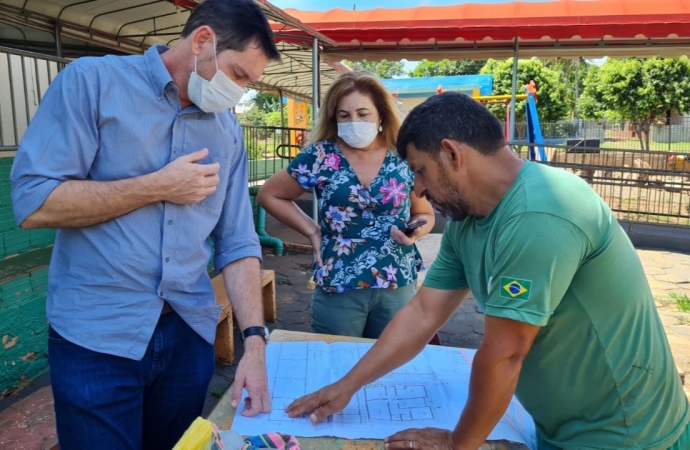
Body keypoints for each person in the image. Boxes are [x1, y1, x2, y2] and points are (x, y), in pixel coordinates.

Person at [284, 92, 690, 449]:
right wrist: (346, 386)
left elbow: (505, 353)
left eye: (420, 171)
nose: (418, 191)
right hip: (560, 426)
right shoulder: (468, 220)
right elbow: (423, 314)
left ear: (453, 153)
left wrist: (457, 442)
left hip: (626, 434)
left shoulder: (541, 212)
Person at [10, 1, 281, 448]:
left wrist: (254, 341)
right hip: (97, 336)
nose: (239, 92)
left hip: (188, 332)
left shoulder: (227, 131)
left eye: (249, 83)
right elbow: (34, 202)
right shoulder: (93, 82)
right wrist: (155, 186)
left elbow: (237, 239)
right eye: (237, 75)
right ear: (202, 41)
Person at [257, 71, 435, 339]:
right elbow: (270, 195)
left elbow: (424, 214)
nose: (354, 122)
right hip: (339, 279)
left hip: (396, 278)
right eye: (344, 115)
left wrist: (414, 233)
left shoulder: (403, 157)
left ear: (381, 115)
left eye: (363, 114)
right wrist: (312, 230)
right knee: (338, 362)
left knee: (391, 367)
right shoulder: (319, 156)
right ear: (334, 118)